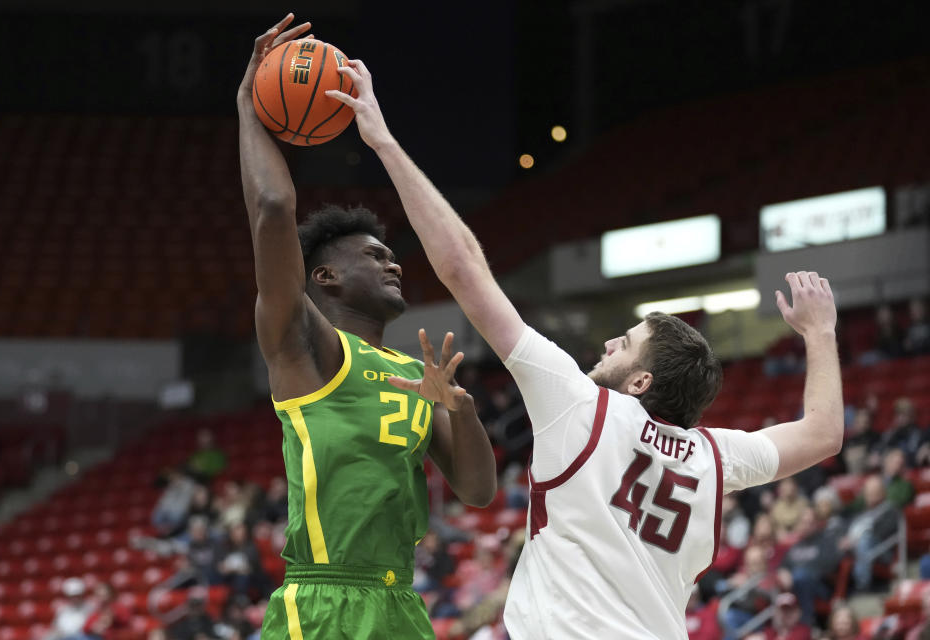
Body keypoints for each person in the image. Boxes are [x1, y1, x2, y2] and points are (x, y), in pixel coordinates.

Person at [327, 48, 844, 639]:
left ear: (641, 381)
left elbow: (464, 267)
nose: (607, 344)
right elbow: (824, 434)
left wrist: (384, 141)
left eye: (624, 344)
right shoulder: (714, 456)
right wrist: (820, 333)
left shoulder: (579, 403)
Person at [236, 13, 497, 639]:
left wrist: (458, 408)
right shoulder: (307, 348)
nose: (392, 262)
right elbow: (273, 208)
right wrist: (249, 104)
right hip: (323, 605)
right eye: (372, 255)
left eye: (390, 253)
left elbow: (478, 490)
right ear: (324, 278)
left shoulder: (416, 376)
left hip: (402, 605)